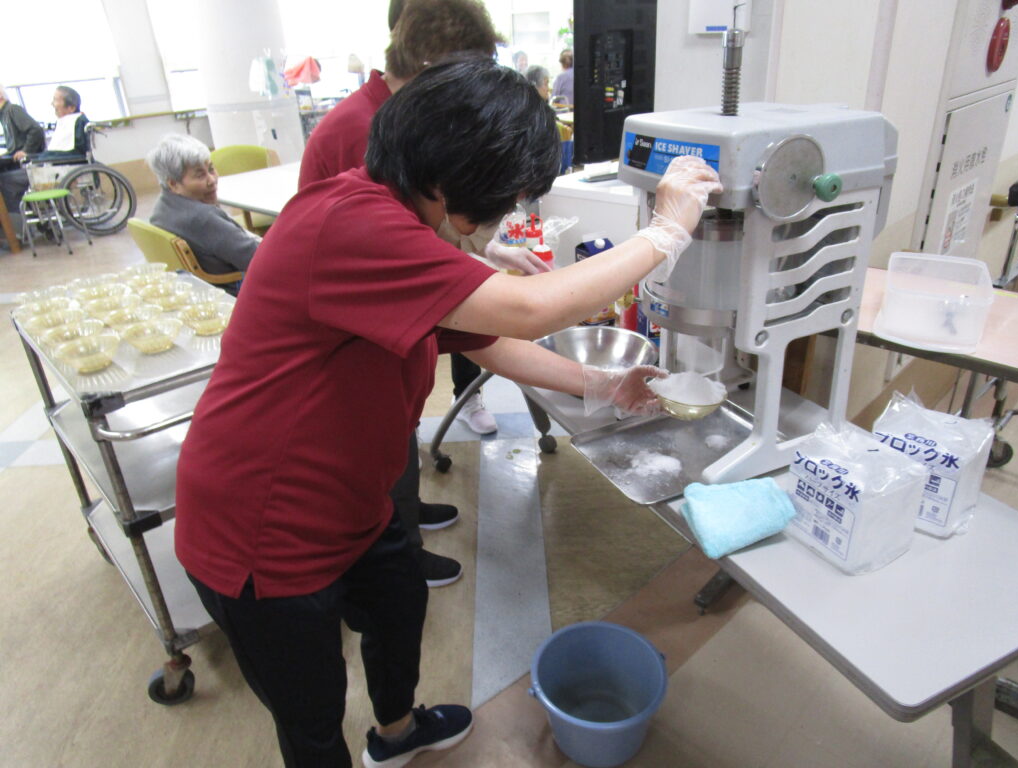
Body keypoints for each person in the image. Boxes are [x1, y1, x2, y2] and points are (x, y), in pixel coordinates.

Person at [174, 56, 719, 768]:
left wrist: (602, 385)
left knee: (398, 608)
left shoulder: (393, 214)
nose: (508, 213)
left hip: (355, 497)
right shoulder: (349, 222)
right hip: (262, 525)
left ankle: (397, 732)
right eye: (509, 194)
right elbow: (530, 310)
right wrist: (666, 231)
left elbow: (488, 340)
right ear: (457, 173)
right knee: (311, 713)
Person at [300, 0, 544, 587]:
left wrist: (485, 249)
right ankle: (398, 547)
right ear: (433, 70)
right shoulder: (368, 132)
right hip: (350, 353)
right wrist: (663, 235)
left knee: (395, 437)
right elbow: (519, 309)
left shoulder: (397, 122)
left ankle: (402, 522)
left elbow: (428, 239)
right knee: (374, 457)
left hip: (384, 333)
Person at [146, 134, 259, 296]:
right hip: (231, 292)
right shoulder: (202, 219)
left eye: (211, 169)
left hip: (193, 290)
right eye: (200, 175)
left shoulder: (161, 208)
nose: (211, 180)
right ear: (174, 184)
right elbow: (258, 258)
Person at [0, 85, 44, 228]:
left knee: (4, 182)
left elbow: (35, 130)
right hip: (18, 163)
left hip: (31, 164)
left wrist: (26, 150)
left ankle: (18, 228)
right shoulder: (4, 115)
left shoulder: (12, 110)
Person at [33, 86, 89, 162]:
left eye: (55, 100)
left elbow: (80, 151)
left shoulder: (79, 121)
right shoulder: (61, 122)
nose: (52, 104)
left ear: (71, 107)